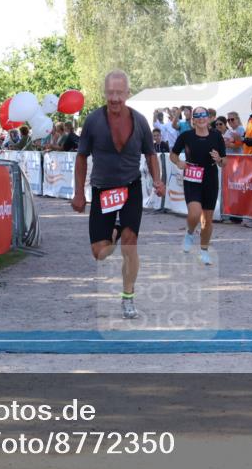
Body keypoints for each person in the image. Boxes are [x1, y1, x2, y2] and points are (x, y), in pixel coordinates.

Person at [72, 70, 166, 319]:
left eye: (119, 93)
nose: (114, 98)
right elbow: (81, 157)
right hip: (102, 189)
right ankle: (114, 231)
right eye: (110, 93)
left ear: (127, 93)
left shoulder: (140, 121)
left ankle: (128, 296)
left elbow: (151, 154)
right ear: (105, 93)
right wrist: (79, 193)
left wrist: (157, 180)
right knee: (100, 253)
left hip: (130, 188)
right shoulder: (93, 121)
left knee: (130, 242)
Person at [170, 106, 226, 265]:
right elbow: (173, 155)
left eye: (204, 115)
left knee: (207, 220)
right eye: (197, 116)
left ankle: (204, 251)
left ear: (209, 118)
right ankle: (189, 233)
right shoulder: (186, 136)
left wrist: (219, 159)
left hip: (210, 178)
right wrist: (178, 162)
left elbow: (225, 161)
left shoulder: (216, 136)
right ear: (193, 120)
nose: (201, 118)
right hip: (192, 177)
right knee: (194, 213)